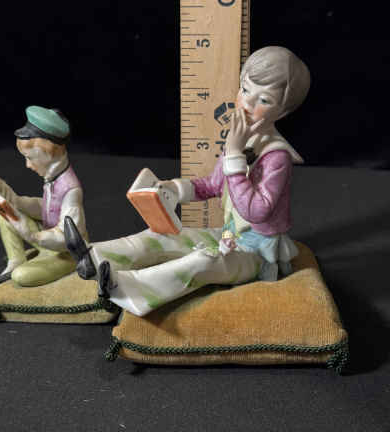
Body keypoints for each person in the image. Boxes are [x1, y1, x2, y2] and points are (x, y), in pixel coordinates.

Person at [64, 46, 310, 316]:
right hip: (228, 235)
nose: (248, 104)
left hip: (257, 253)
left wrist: (234, 155)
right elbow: (213, 185)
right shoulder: (240, 141)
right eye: (245, 89)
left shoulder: (276, 157)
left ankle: (125, 288)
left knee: (202, 262)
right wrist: (175, 189)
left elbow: (256, 211)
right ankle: (94, 257)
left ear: (282, 112)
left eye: (264, 100)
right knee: (164, 236)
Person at [0, 106, 87, 287]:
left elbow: (68, 237)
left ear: (51, 153)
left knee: (21, 276)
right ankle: (16, 259)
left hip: (66, 252)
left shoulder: (71, 189)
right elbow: (48, 207)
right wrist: (18, 202)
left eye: (30, 158)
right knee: (5, 212)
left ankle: (24, 268)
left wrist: (34, 236)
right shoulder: (52, 177)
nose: (28, 165)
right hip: (47, 239)